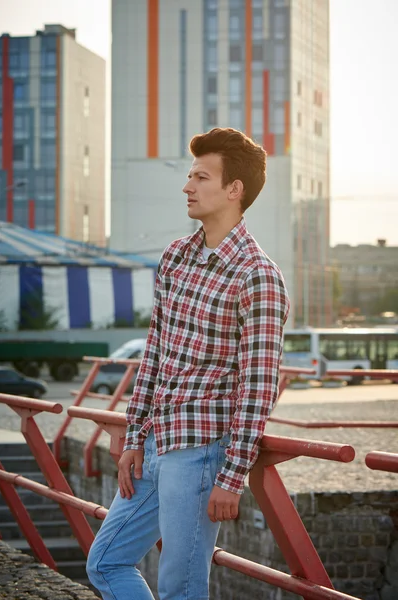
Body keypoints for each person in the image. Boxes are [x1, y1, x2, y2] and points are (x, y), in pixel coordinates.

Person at [87, 127, 290, 599]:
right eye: (189, 176)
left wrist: (232, 476)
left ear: (234, 190)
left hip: (200, 454)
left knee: (179, 586)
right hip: (154, 445)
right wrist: (135, 437)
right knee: (105, 561)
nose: (187, 186)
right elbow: (155, 352)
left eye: (201, 177)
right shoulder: (176, 257)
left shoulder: (258, 277)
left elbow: (257, 387)